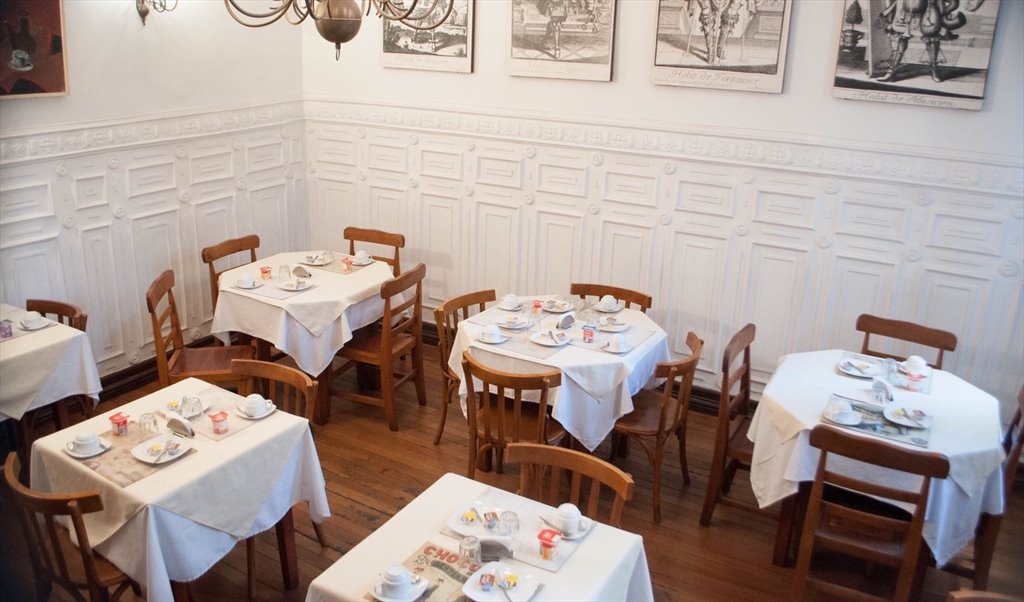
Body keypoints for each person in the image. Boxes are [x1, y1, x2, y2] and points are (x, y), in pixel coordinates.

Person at [877, 0, 982, 83]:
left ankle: (934, 70)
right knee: (901, 37)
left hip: (930, 5)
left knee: (932, 36)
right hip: (908, 4)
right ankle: (892, 70)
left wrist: (943, 12)